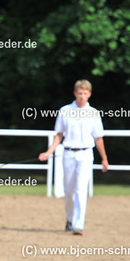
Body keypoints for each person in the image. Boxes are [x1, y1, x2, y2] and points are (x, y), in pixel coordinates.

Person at [38, 79, 108, 235]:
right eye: (80, 93)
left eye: (85, 93)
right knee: (68, 190)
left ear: (89, 94)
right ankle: (70, 219)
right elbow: (59, 135)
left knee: (80, 189)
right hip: (68, 153)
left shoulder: (94, 113)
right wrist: (49, 152)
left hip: (86, 154)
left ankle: (78, 225)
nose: (82, 96)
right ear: (75, 93)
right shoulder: (65, 111)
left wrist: (104, 158)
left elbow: (98, 138)